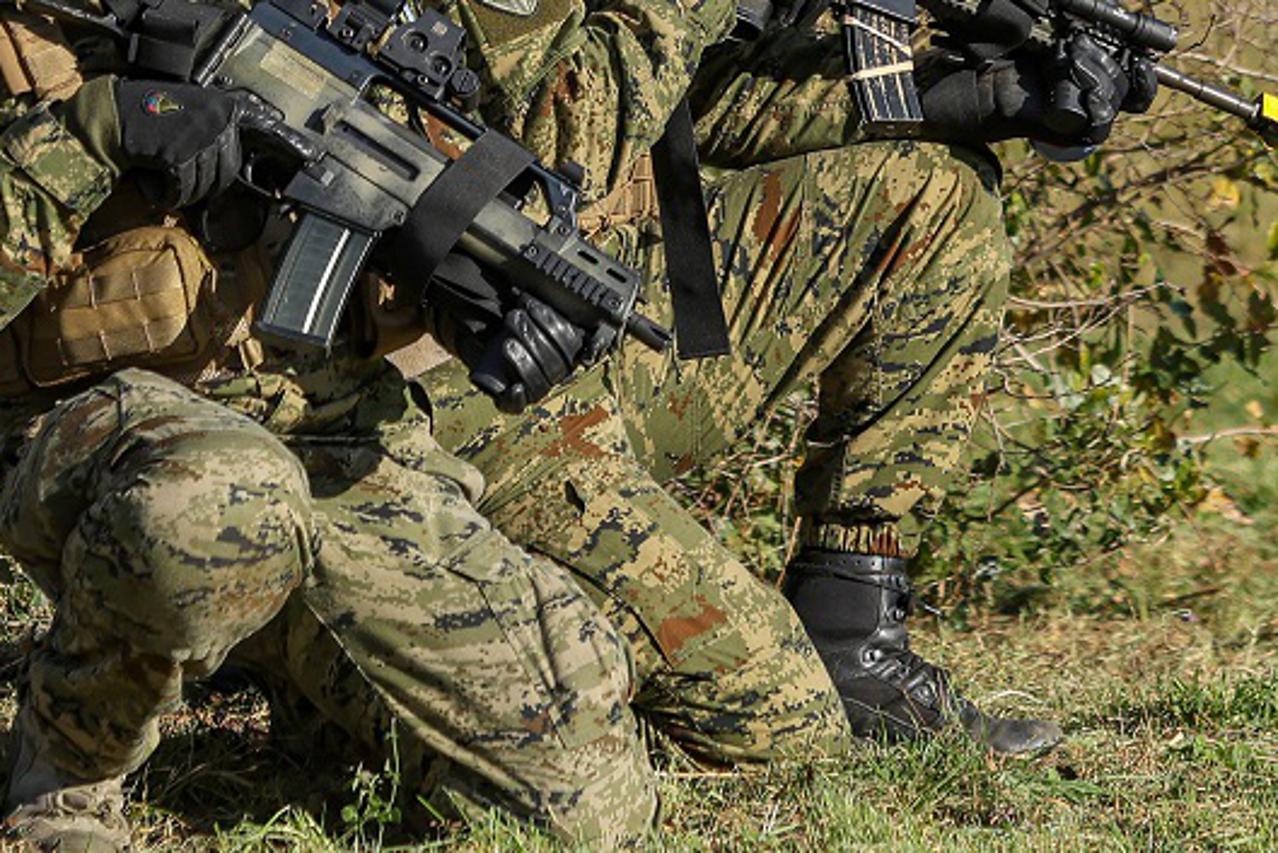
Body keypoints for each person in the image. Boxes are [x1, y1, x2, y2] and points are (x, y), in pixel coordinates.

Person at [0, 7, 659, 851]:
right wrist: (95, 132)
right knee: (226, 492)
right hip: (89, 434)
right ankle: (65, 777)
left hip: (327, 437)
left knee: (581, 797)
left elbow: (379, 178)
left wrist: (467, 286)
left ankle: (308, 699)